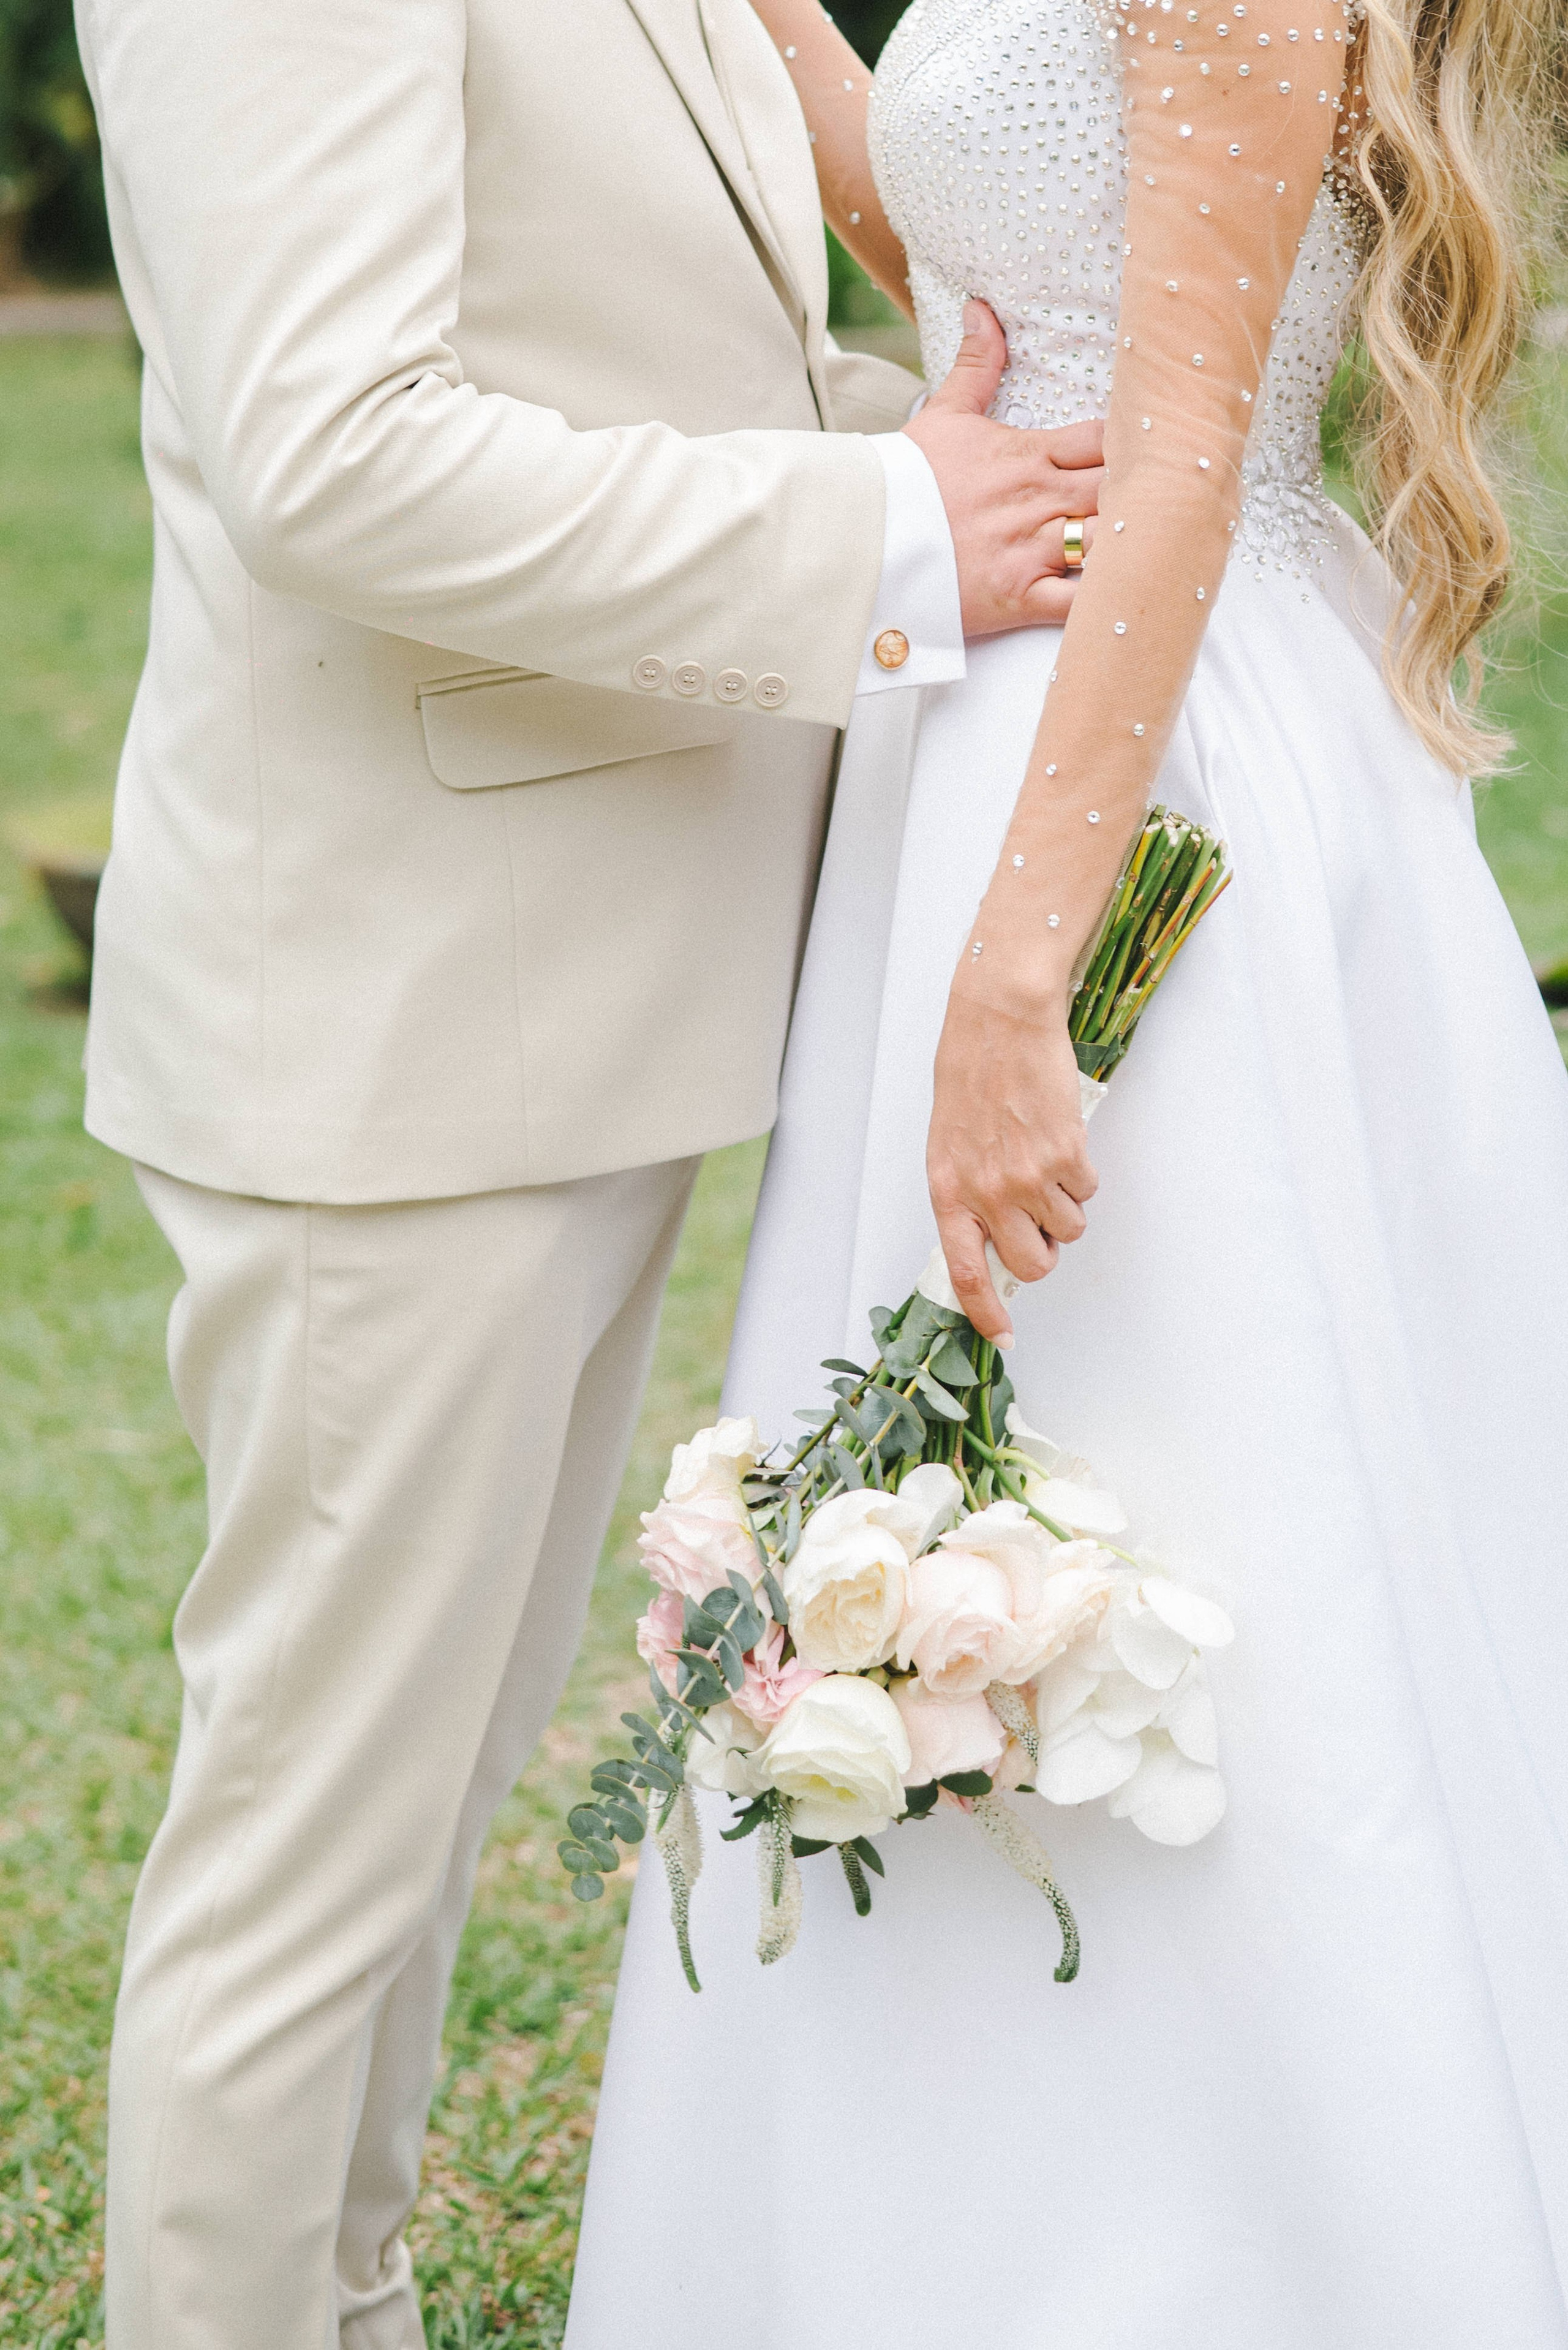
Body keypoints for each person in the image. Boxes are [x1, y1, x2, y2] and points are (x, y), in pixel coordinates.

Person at [71, 0, 1112, 2340]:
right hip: (391, 1030)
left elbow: (632, 356)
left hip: (572, 1013)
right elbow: (332, 453)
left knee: (409, 1836)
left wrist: (908, 447)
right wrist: (878, 525)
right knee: (311, 1866)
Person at [568, 0, 1568, 2341]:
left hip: (1143, 778)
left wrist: (1022, 980)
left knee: (1211, 1487)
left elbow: (1194, 447)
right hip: (1001, 725)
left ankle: (1275, 2235)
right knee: (1005, 1484)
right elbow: (949, 217)